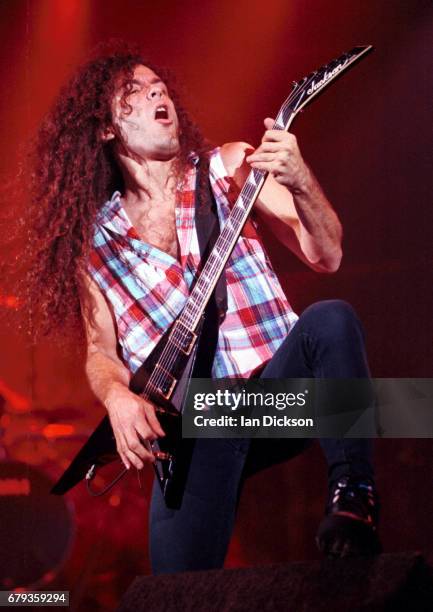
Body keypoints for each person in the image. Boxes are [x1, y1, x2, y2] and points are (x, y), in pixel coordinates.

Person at [25, 47, 381, 574]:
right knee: (176, 589)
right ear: (104, 129)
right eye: (134, 90)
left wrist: (300, 178)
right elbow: (101, 351)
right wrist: (117, 396)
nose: (156, 91)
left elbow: (326, 254)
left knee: (330, 318)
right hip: (202, 422)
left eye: (158, 84)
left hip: (278, 392)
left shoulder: (230, 168)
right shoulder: (95, 245)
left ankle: (354, 497)